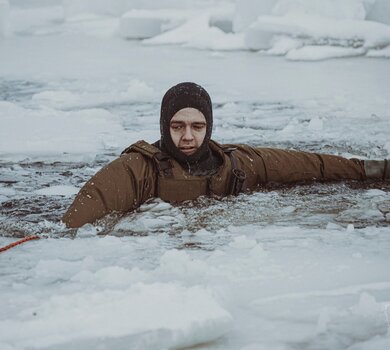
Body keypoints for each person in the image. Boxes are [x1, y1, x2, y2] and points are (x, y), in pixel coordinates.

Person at [62, 82, 389, 228]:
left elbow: (309, 165)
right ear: (164, 127)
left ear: (209, 127)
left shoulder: (236, 164)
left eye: (197, 126)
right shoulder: (138, 169)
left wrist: (373, 170)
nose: (188, 136)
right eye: (177, 126)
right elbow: (83, 213)